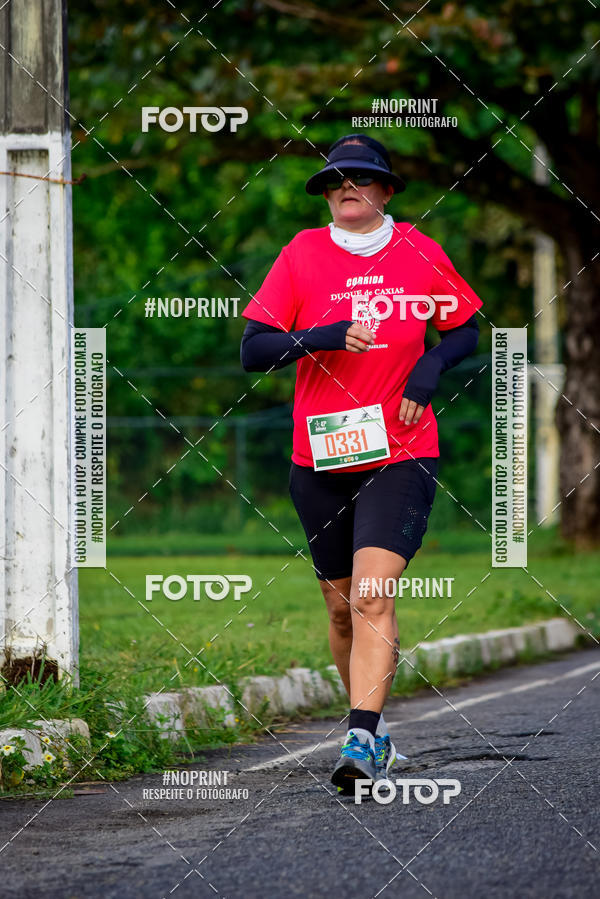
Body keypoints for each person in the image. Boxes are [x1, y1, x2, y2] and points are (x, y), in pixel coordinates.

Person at [240, 134, 482, 794]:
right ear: (325, 193)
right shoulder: (302, 254)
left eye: (361, 177)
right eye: (335, 179)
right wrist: (320, 335)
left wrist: (431, 365)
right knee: (342, 607)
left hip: (400, 449)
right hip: (318, 455)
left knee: (375, 591)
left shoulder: (420, 252)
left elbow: (465, 326)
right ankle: (374, 735)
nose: (346, 185)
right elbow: (253, 349)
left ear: (385, 191)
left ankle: (360, 735)